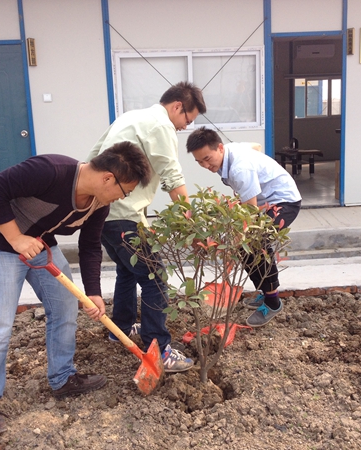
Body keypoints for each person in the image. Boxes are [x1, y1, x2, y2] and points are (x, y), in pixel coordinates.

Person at [0, 142, 151, 434]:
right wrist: (16, 239)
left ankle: (63, 378)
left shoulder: (98, 203)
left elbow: (90, 245)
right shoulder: (50, 171)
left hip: (40, 245)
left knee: (66, 307)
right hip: (0, 245)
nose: (124, 197)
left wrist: (92, 292)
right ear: (108, 178)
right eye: (125, 190)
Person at [86, 81, 206, 373]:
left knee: (128, 271)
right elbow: (172, 177)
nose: (184, 127)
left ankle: (121, 329)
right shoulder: (160, 125)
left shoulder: (130, 117)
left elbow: (94, 156)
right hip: (123, 213)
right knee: (155, 278)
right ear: (177, 106)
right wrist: (193, 229)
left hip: (104, 213)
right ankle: (160, 349)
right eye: (186, 120)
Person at [186, 127, 302, 327]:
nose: (205, 165)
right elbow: (255, 146)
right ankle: (266, 293)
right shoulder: (229, 152)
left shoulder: (240, 169)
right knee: (246, 246)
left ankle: (273, 302)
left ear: (219, 148)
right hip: (265, 202)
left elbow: (249, 215)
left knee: (255, 245)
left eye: (207, 158)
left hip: (284, 203)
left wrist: (231, 249)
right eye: (199, 162)